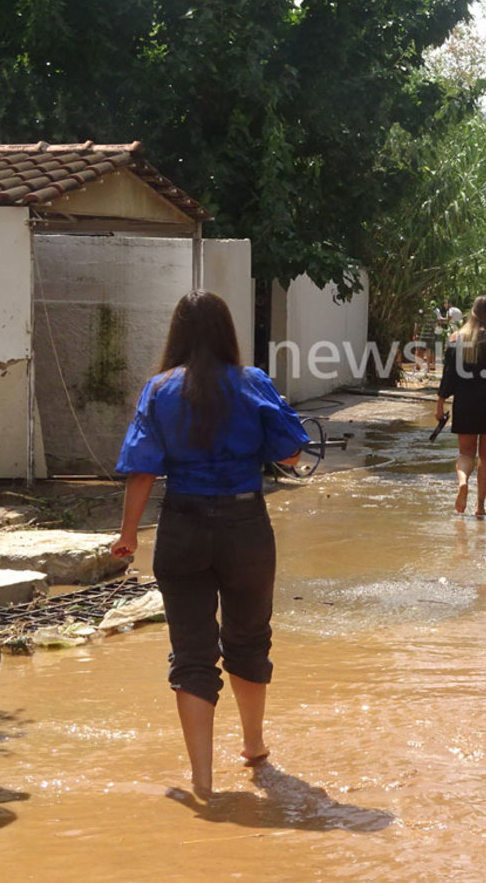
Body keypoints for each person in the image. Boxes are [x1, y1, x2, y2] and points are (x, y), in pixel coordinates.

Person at [110, 290, 310, 798]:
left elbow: (142, 469)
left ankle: (202, 782)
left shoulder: (158, 390)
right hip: (245, 526)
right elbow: (290, 452)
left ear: (177, 334)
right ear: (227, 332)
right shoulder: (253, 383)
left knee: (192, 655)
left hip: (182, 527)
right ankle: (253, 746)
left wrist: (129, 534)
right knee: (248, 638)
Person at [435, 295, 486, 517]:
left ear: (472, 312)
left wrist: (440, 403)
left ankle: (463, 482)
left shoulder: (456, 337)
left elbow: (448, 376)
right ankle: (480, 506)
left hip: (465, 402)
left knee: (465, 452)